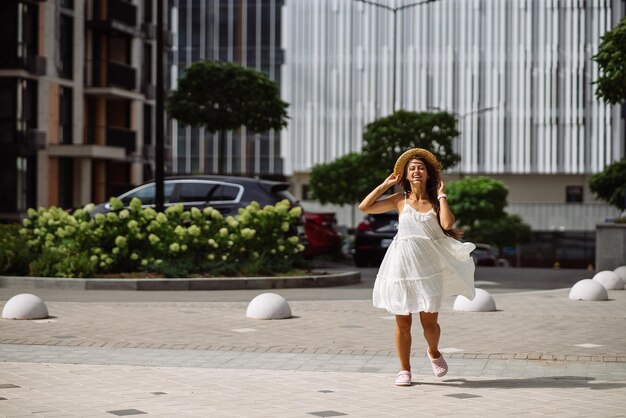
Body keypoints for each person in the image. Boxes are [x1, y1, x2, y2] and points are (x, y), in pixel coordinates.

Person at [358, 148, 476, 386]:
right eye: (411, 168)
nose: (416, 171)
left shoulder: (435, 202)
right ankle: (405, 370)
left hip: (428, 269)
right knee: (402, 321)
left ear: (428, 174)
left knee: (429, 323)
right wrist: (385, 184)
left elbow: (447, 223)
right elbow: (365, 207)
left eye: (420, 168)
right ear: (406, 175)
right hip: (400, 267)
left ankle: (433, 351)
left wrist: (442, 196)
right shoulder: (399, 200)